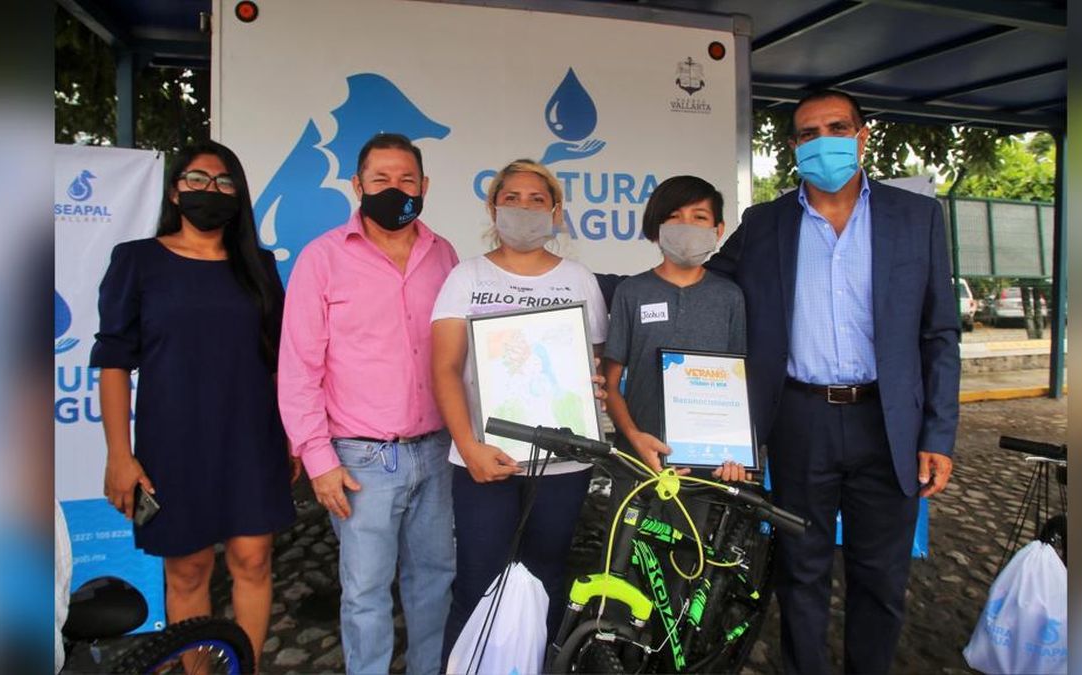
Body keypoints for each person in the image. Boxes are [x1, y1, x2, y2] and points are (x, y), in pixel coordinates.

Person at [706, 90, 960, 674]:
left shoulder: (915, 217)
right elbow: (701, 285)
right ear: (794, 146)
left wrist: (938, 434)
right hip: (800, 420)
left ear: (861, 136)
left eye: (837, 128)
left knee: (882, 578)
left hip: (888, 422)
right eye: (808, 133)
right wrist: (612, 294)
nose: (823, 142)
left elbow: (940, 333)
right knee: (800, 572)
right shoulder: (765, 224)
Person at [93, 141, 296, 666]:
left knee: (254, 560)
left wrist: (293, 435)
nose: (211, 190)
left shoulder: (259, 267)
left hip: (251, 438)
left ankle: (244, 668)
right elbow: (113, 361)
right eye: (198, 179)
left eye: (225, 182)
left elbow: (281, 360)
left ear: (239, 194)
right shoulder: (138, 260)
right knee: (187, 571)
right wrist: (119, 455)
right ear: (175, 191)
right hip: (172, 443)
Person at [277, 132, 459, 675]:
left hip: (437, 450)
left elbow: (464, 352)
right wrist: (318, 460)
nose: (395, 189)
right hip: (361, 460)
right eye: (381, 179)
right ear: (358, 185)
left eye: (407, 179)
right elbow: (299, 368)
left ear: (425, 186)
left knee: (435, 580)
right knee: (364, 592)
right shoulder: (323, 258)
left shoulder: (444, 255)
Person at [431, 159, 609, 656]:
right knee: (477, 584)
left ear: (555, 210)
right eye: (512, 198)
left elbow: (591, 363)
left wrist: (590, 387)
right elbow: (444, 369)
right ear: (493, 207)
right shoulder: (466, 276)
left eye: (537, 199)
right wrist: (469, 447)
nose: (524, 208)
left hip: (562, 463)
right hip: (484, 459)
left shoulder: (578, 279)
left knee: (544, 581)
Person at [602, 175, 749, 483]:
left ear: (718, 229)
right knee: (631, 518)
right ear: (657, 228)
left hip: (708, 464)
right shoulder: (632, 292)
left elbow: (738, 386)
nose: (687, 226)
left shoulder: (730, 297)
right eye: (674, 217)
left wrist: (736, 453)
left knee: (695, 518)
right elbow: (610, 386)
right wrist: (634, 436)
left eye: (699, 217)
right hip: (637, 460)